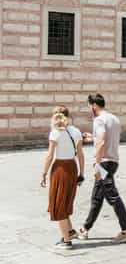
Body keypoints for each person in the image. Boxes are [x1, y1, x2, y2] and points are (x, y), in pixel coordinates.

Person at [79, 94, 126, 243]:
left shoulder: (99, 120)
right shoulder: (114, 119)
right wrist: (92, 138)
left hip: (104, 162)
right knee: (97, 197)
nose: (90, 109)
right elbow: (105, 139)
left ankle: (125, 230)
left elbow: (102, 142)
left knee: (112, 197)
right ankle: (85, 229)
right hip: (113, 160)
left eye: (90, 106)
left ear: (94, 105)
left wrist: (96, 164)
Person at [41, 106, 85, 249]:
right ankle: (70, 231)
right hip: (72, 167)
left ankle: (66, 241)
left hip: (60, 169)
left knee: (59, 203)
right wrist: (81, 173)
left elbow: (49, 156)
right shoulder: (76, 131)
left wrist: (44, 173)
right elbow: (81, 155)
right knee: (65, 201)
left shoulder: (55, 133)